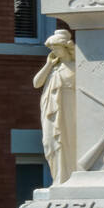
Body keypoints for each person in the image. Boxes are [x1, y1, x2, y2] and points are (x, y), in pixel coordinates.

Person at [33, 29, 76, 184]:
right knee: (49, 142)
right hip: (50, 110)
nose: (53, 51)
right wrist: (48, 65)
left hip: (67, 110)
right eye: (52, 48)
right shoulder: (53, 68)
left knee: (66, 141)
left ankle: (67, 178)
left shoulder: (75, 67)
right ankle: (57, 178)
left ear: (65, 47)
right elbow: (36, 83)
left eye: (56, 47)